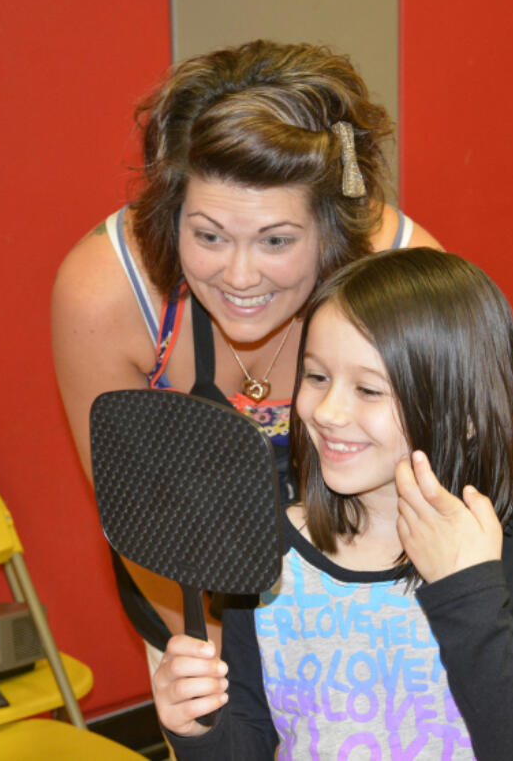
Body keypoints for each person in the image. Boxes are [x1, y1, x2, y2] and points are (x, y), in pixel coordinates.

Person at [52, 40, 440, 666]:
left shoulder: (402, 279)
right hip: (189, 600)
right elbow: (137, 515)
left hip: (368, 594)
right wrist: (214, 658)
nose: (238, 276)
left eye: (276, 240)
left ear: (336, 229)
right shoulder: (110, 293)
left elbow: (428, 502)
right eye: (208, 235)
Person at [151, 248, 513, 760]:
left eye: (369, 389)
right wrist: (199, 733)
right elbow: (248, 734)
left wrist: (468, 594)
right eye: (316, 377)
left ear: (466, 412)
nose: (329, 411)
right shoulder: (267, 548)